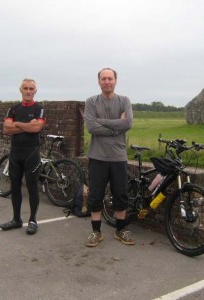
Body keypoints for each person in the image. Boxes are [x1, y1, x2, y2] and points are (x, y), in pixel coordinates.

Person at [84, 68, 134, 247]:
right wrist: (117, 127)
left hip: (118, 156)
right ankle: (96, 232)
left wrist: (101, 121)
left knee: (120, 194)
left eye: (110, 78)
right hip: (97, 156)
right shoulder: (91, 102)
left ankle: (120, 230)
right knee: (96, 195)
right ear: (98, 81)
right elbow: (91, 127)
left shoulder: (124, 101)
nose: (107, 81)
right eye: (103, 79)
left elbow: (128, 123)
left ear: (115, 81)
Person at [0, 78, 45, 235]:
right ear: (21, 90)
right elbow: (6, 129)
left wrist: (17, 124)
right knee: (15, 187)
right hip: (15, 153)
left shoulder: (39, 108)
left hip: (31, 153)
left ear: (35, 91)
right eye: (25, 88)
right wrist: (27, 126)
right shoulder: (13, 109)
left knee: (32, 187)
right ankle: (16, 219)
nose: (28, 91)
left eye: (31, 89)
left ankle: (32, 220)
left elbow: (37, 127)